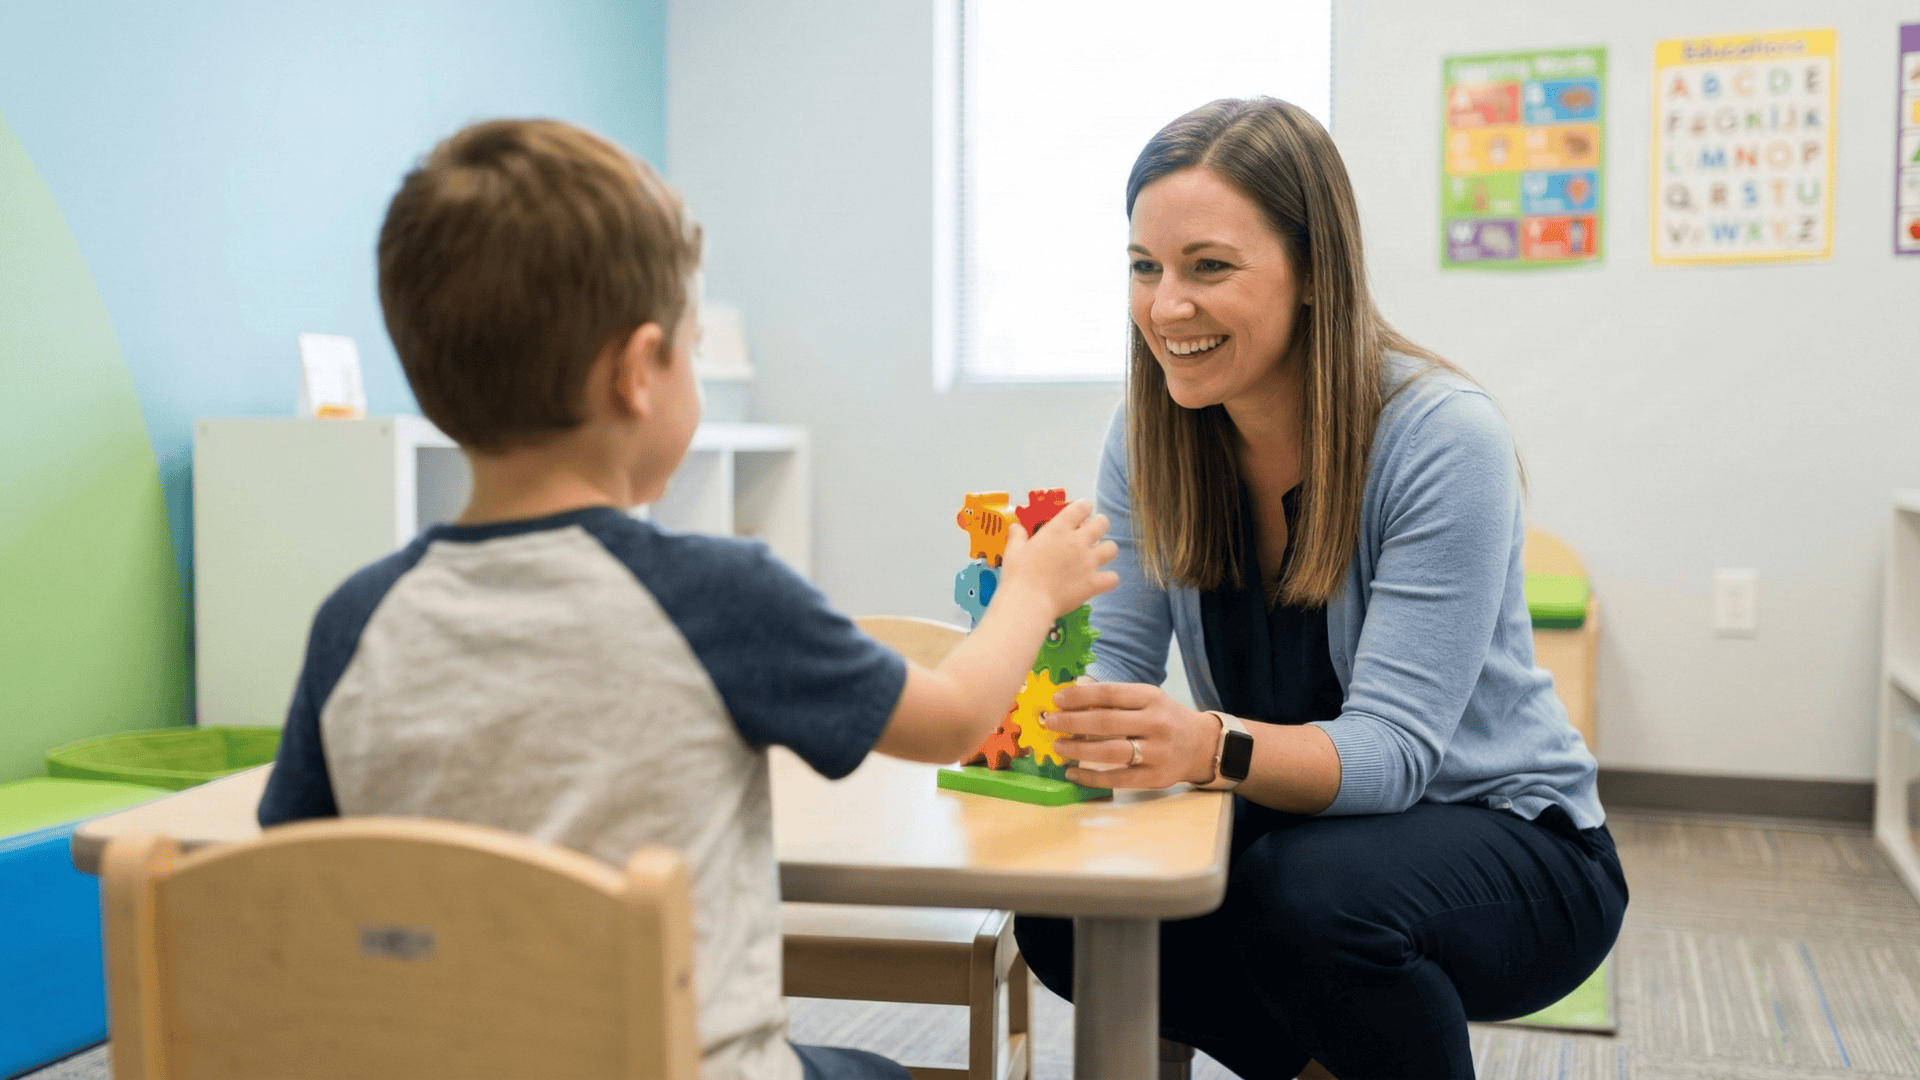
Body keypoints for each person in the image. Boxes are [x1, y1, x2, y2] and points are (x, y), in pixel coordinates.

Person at [255, 118, 1118, 1080]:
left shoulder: (357, 619)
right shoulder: (717, 594)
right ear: (637, 372)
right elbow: (953, 721)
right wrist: (1032, 587)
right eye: (693, 354)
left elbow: (298, 878)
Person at [1016, 98, 1628, 1080]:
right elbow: (1113, 670)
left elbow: (1391, 755)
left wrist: (1202, 743)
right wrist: (1037, 681)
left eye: (1208, 266)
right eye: (1145, 267)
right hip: (1293, 840)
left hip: (1516, 844)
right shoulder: (1147, 438)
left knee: (1304, 896)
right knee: (1061, 907)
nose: (1166, 305)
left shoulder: (1438, 434)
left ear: (1311, 273)